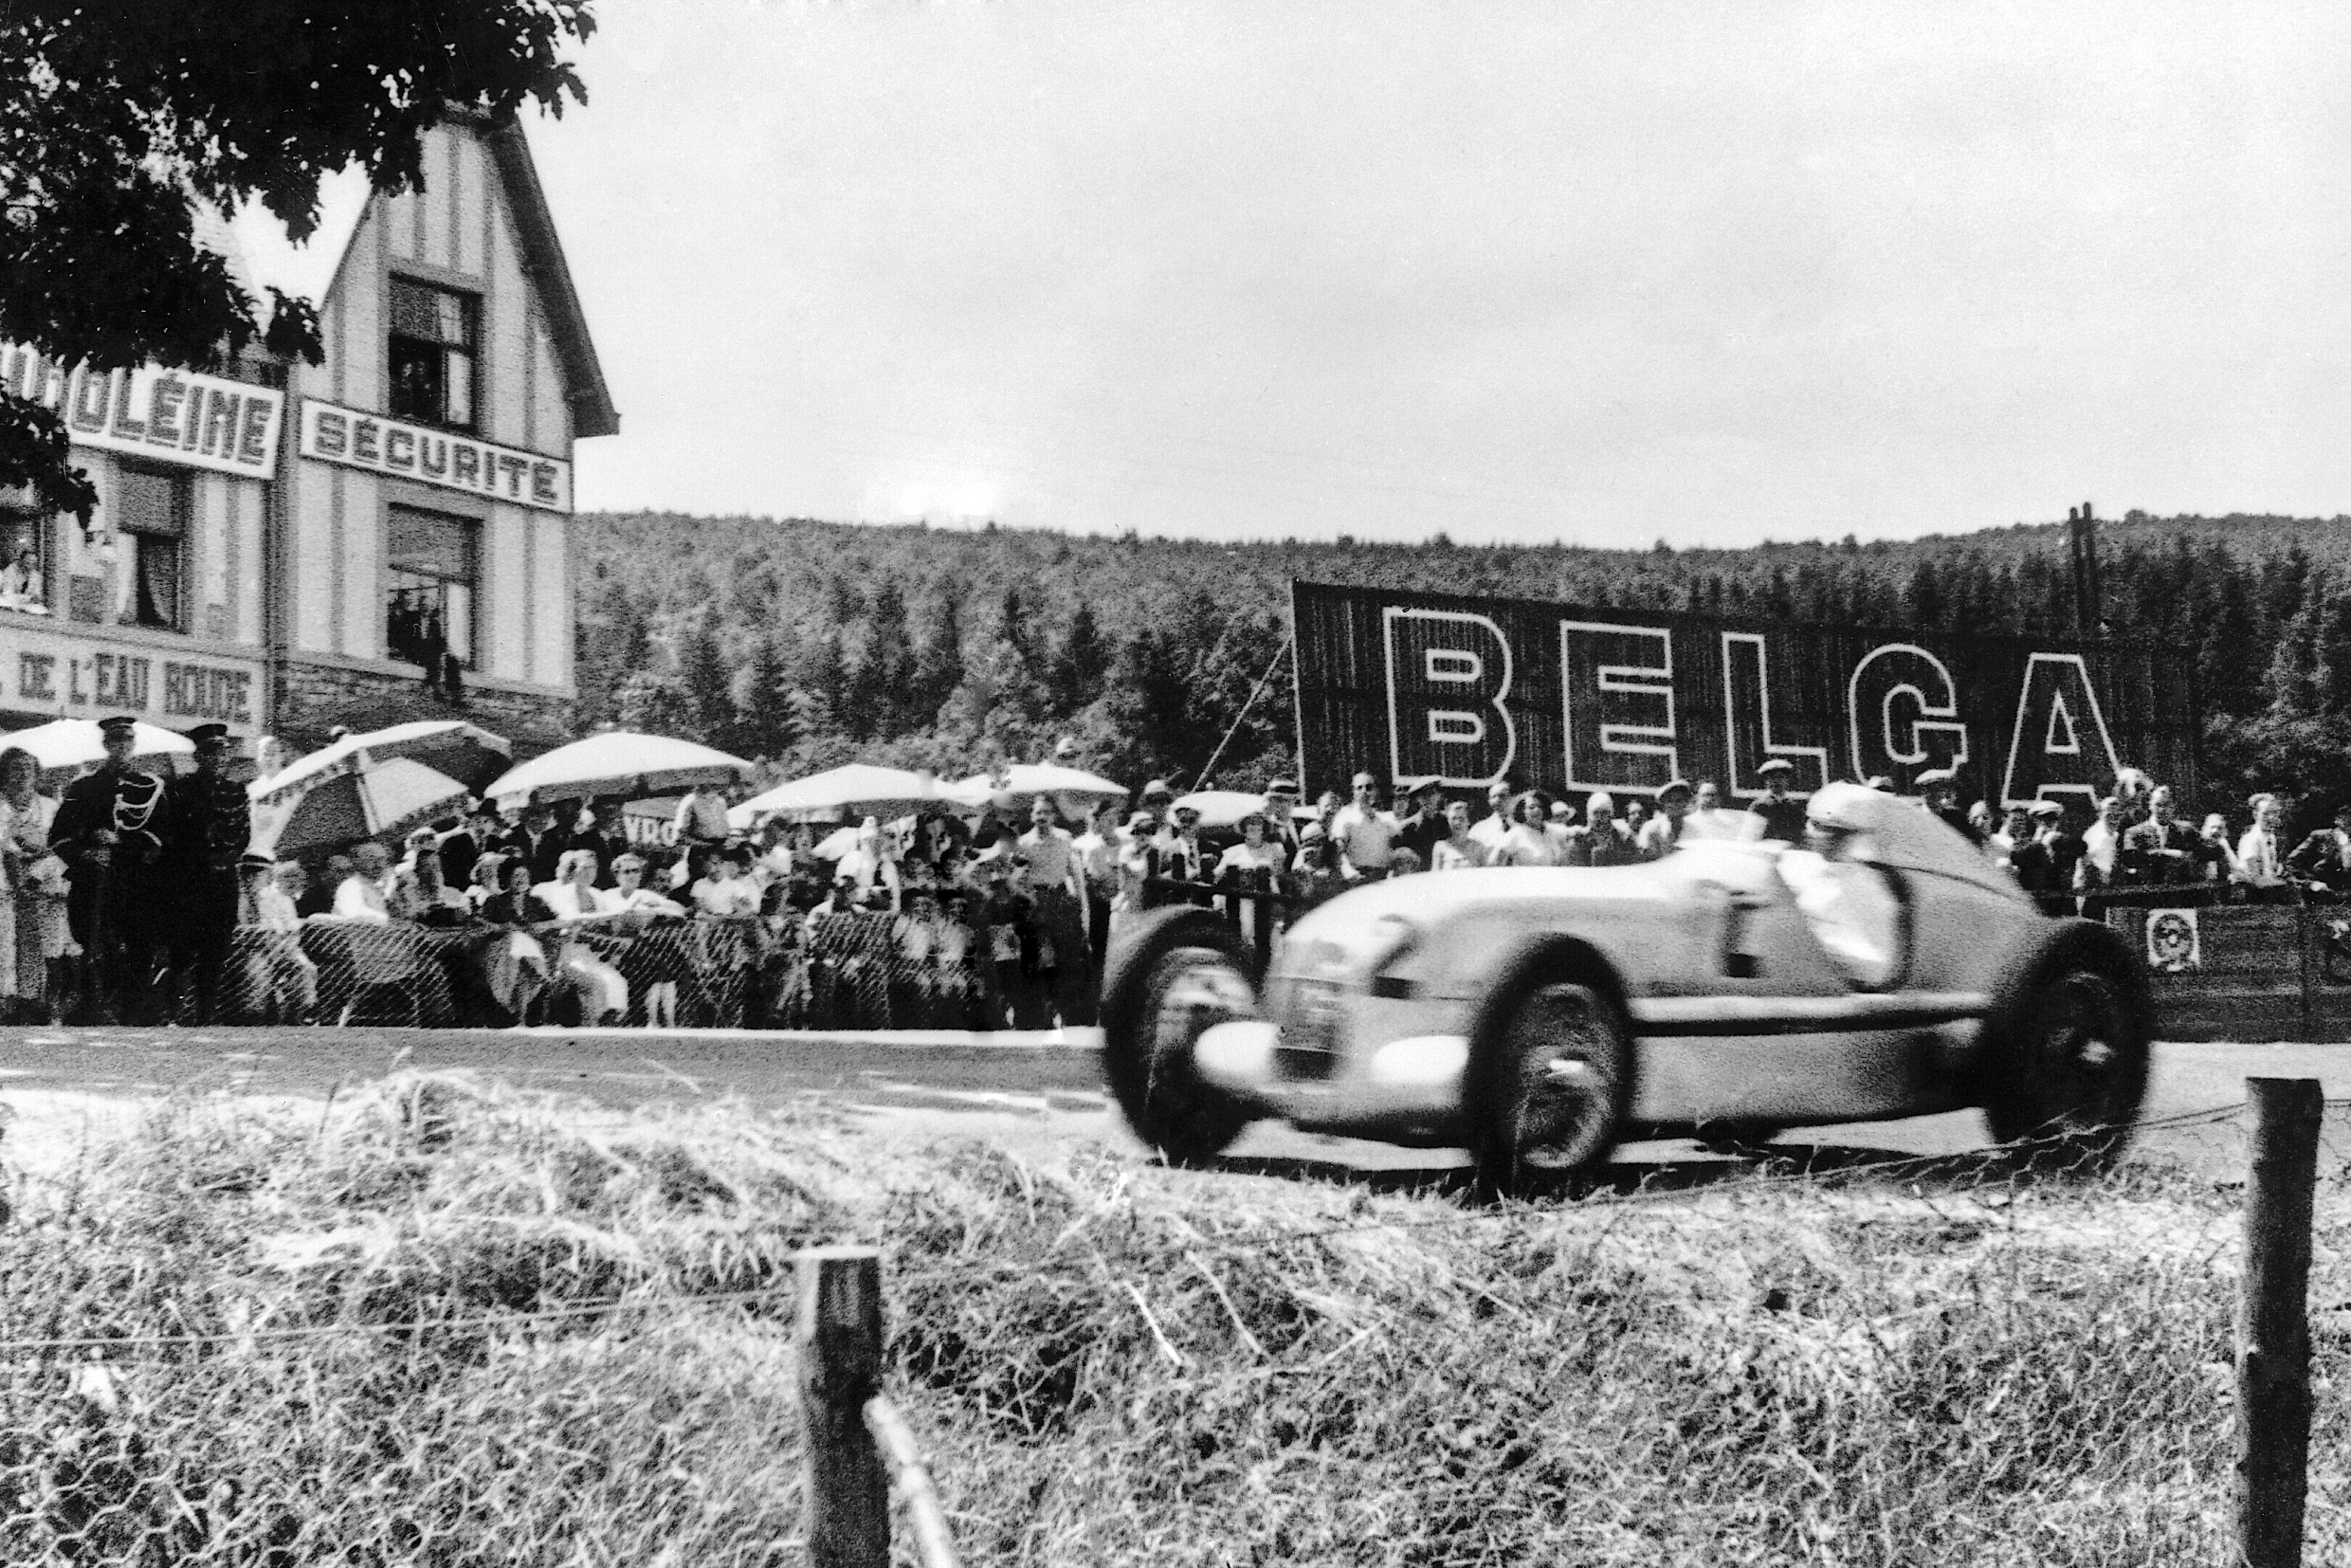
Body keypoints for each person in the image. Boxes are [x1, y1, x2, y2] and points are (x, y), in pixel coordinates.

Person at [49, 714, 170, 1023]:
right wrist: (87, 853)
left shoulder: (150, 786)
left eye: (127, 741)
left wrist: (120, 843)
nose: (122, 747)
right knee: (92, 941)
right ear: (106, 745)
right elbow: (59, 837)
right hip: (93, 878)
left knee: (138, 943)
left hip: (134, 880)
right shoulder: (84, 787)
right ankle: (94, 1005)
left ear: (134, 745)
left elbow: (159, 836)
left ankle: (132, 1010)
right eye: (116, 741)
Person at [159, 723, 252, 1023]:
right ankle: (173, 1012)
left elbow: (242, 836)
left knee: (216, 949)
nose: (218, 759)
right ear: (198, 757)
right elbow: (170, 835)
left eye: (222, 753)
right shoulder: (179, 789)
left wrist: (225, 858)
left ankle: (205, 1014)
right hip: (189, 879)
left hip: (222, 879)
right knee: (182, 950)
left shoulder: (236, 791)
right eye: (211, 753)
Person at [1778, 784, 1904, 990]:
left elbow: (1878, 967)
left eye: (1832, 831)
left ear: (1852, 835)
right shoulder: (1797, 864)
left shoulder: (1867, 886)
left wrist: (1816, 945)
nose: (1818, 834)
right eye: (1815, 825)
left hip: (1840, 991)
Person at [0, 745, 61, 1020]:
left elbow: (59, 846)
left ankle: (32, 1000)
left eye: (28, 768)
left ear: (36, 774)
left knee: (38, 943)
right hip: (4, 886)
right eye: (15, 768)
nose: (22, 774)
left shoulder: (50, 807)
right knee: (4, 943)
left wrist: (37, 868)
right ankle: (5, 998)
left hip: (41, 885)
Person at [1018, 796, 1089, 1025]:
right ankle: (1041, 1015)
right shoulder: (1024, 843)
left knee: (1066, 957)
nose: (1042, 817)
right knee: (1039, 957)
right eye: (1038, 812)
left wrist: (1082, 907)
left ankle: (1068, 1015)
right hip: (1036, 902)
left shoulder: (1065, 838)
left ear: (1054, 816)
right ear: (1032, 816)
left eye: (1047, 812)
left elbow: (1075, 875)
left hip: (1060, 900)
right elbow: (1018, 878)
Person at [246, 855, 318, 1024]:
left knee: (305, 967)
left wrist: (288, 948)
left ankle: (302, 1012)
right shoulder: (247, 900)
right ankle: (256, 1015)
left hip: (284, 948)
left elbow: (292, 931)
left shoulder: (284, 900)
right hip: (259, 949)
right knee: (259, 970)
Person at [1214, 812, 1289, 957]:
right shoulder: (1233, 851)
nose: (1253, 827)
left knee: (1271, 937)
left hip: (1269, 898)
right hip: (1243, 899)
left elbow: (1280, 875)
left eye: (1257, 823)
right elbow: (1217, 875)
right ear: (1244, 828)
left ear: (1263, 828)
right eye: (1250, 824)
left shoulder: (1275, 849)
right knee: (1246, 935)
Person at [2125, 785, 2205, 887]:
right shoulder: (2135, 833)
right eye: (2158, 805)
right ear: (2150, 805)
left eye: (2167, 804)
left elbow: (2202, 852)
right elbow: (2133, 859)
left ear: (2173, 806)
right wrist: (2173, 853)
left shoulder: (2186, 831)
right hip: (2147, 888)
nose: (2163, 809)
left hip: (2181, 889)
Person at [1329, 772, 1399, 882]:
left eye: (1369, 787)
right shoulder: (1344, 818)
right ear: (1353, 792)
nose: (1364, 792)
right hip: (1358, 877)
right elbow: (1338, 852)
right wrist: (1349, 872)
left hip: (1385, 877)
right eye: (1359, 788)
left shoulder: (1387, 819)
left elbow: (1396, 848)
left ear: (1375, 791)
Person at [2235, 793, 2295, 903]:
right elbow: (2256, 879)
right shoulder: (2249, 840)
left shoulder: (2273, 838)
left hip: (2272, 892)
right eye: (2266, 813)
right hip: (2256, 896)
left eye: (2274, 813)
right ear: (2255, 814)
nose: (2271, 818)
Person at [1492, 791, 1570, 867]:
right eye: (1531, 807)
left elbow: (1571, 833)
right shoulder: (1516, 833)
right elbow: (1494, 860)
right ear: (1522, 811)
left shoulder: (1552, 830)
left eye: (1540, 806)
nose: (1537, 810)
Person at [1746, 758, 1809, 843]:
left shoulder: (1795, 806)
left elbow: (1801, 832)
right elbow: (1752, 834)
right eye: (1772, 778)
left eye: (1780, 777)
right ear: (1766, 782)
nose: (1776, 781)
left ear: (1787, 780)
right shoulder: (1760, 806)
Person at [1917, 769, 1982, 846]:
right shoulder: (1916, 816)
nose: (1940, 794)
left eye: (1943, 789)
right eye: (1935, 789)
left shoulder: (1956, 816)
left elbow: (1972, 840)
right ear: (1924, 791)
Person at [1394, 780, 1449, 868]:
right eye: (1424, 796)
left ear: (1439, 796)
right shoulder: (1409, 827)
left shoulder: (1446, 823)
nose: (1429, 799)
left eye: (1432, 794)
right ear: (1418, 799)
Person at [332, 842, 393, 921]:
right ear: (360, 862)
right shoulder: (350, 886)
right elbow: (353, 915)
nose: (379, 865)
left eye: (382, 860)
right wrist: (387, 919)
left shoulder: (379, 887)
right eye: (372, 860)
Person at [1637, 778, 1694, 858]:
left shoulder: (1693, 828)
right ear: (1663, 803)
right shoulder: (1651, 828)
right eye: (1670, 801)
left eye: (1679, 800)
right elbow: (1646, 857)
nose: (1674, 805)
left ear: (1685, 803)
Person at [1581, 792, 1640, 867]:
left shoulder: (1624, 838)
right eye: (1596, 813)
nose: (1600, 817)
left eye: (1604, 813)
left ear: (1611, 814)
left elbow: (1634, 865)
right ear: (1589, 815)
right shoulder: (1581, 839)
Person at [1431, 799, 1490, 870]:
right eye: (1453, 818)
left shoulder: (1478, 847)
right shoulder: (1440, 847)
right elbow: (1435, 875)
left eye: (1461, 818)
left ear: (1468, 821)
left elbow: (1485, 873)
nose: (1457, 823)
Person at [672, 779, 733, 848]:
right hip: (700, 845)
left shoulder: (720, 802)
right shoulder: (691, 801)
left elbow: (725, 823)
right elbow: (682, 831)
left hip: (721, 844)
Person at [1468, 779, 1515, 857]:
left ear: (1511, 799)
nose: (1498, 800)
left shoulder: (1521, 827)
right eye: (1494, 797)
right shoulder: (1479, 829)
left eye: (1502, 796)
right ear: (1489, 801)